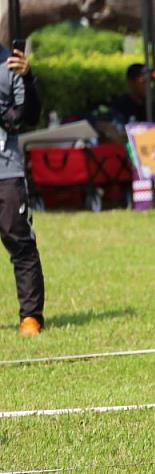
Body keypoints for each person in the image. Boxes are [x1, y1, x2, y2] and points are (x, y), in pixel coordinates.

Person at [0, 44, 46, 337]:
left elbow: (26, 117)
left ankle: (31, 316)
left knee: (19, 239)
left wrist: (28, 78)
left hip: (6, 170)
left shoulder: (11, 64)